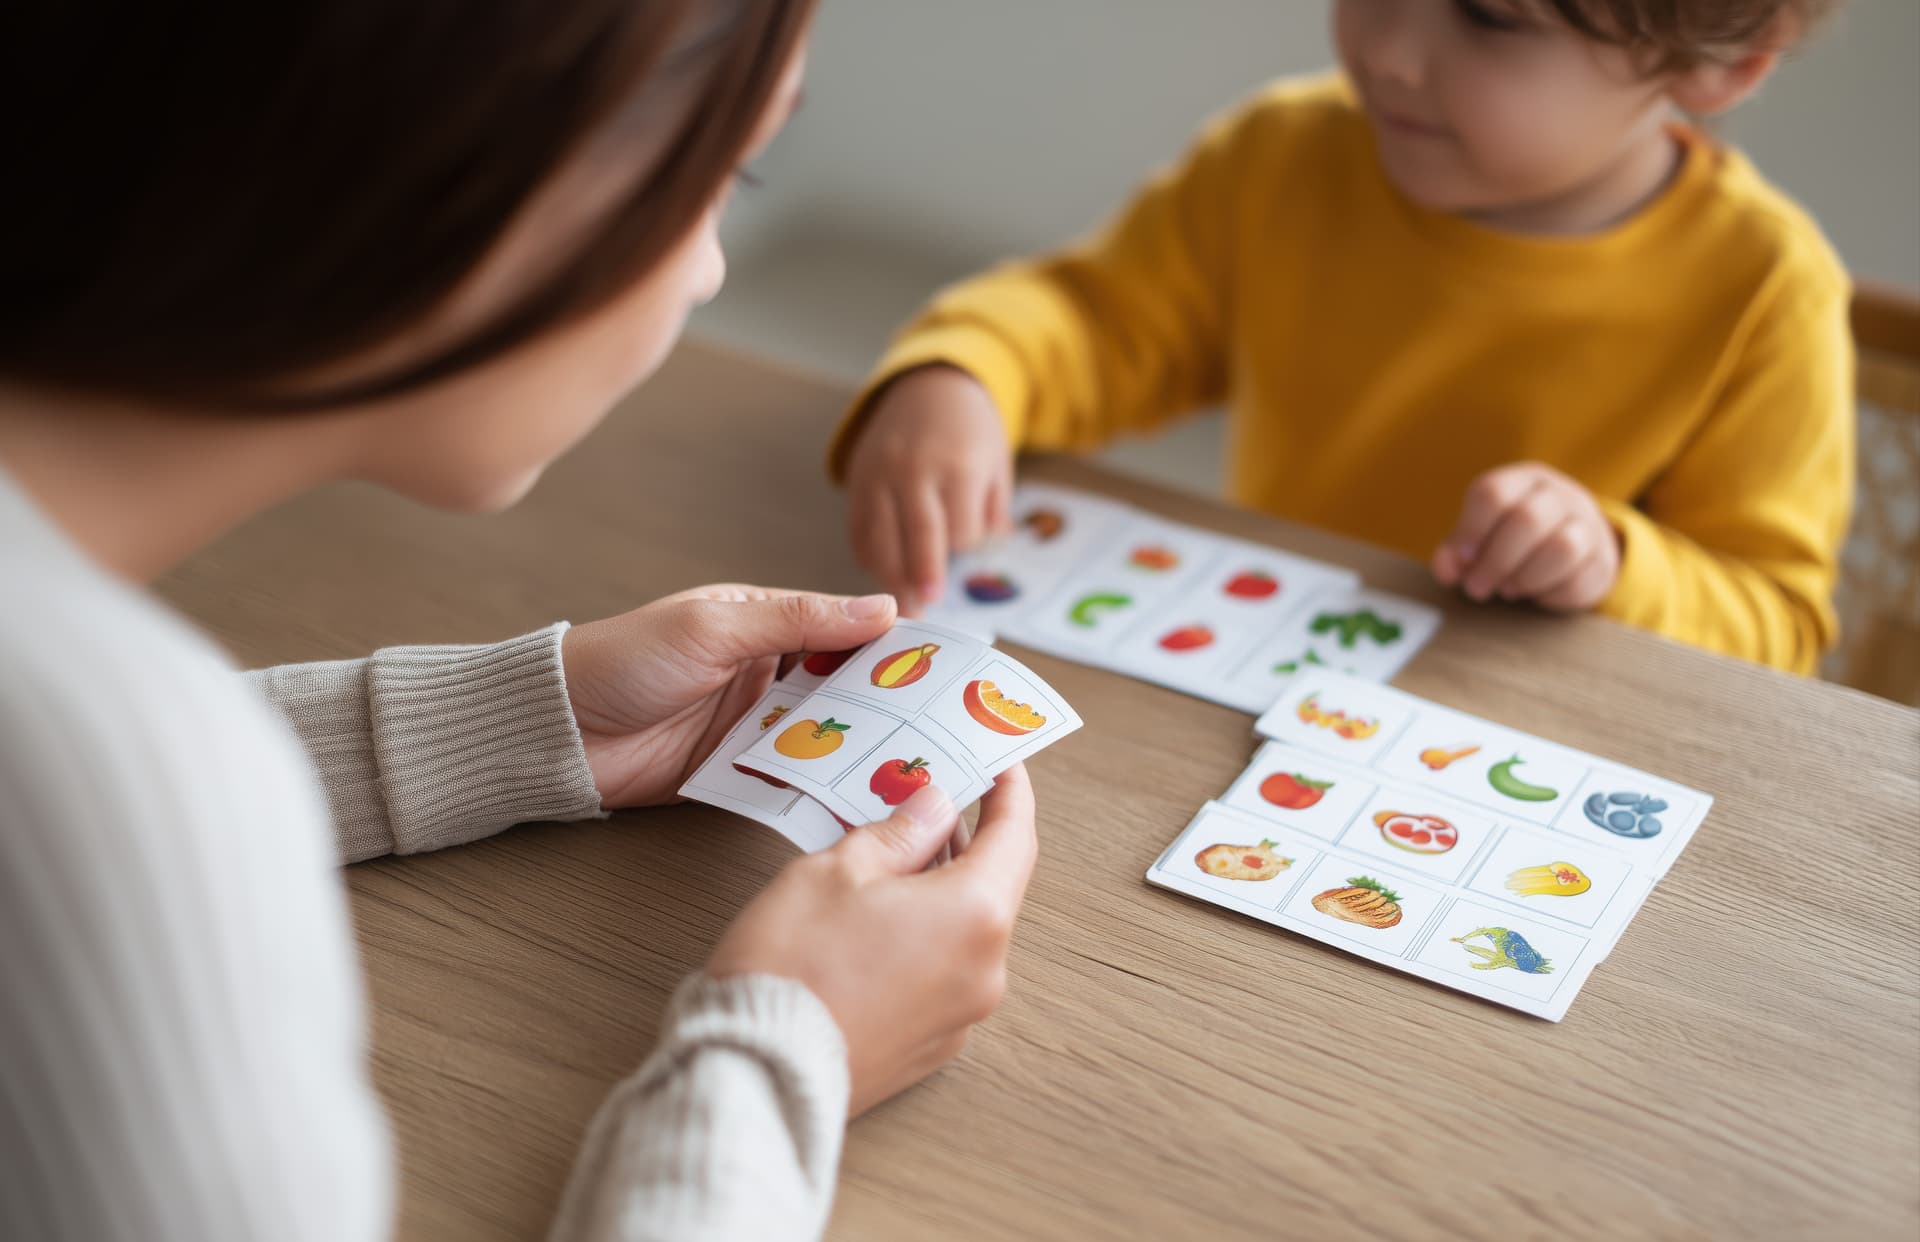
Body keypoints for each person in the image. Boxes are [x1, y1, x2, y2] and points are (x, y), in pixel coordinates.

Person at [0, 4, 1037, 1240]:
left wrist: (505, 725)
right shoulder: (113, 788)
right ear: (460, 147)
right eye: (728, 170)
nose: (711, 268)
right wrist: (781, 1053)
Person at [836, 0, 1854, 674]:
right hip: (1258, 667)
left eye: (1492, 16)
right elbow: (1102, 322)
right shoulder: (1284, 153)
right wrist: (968, 369)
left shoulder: (1767, 289)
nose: (1391, 54)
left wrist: (1613, 563)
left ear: (1720, 65)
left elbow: (1775, 625)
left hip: (1519, 752)